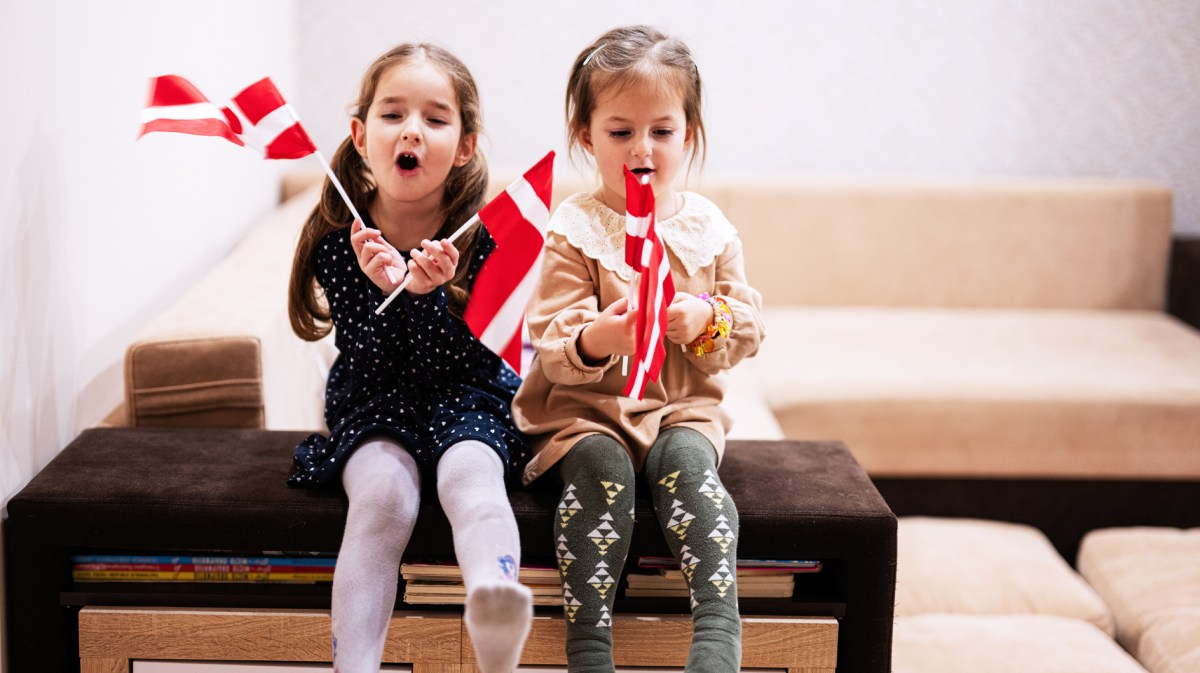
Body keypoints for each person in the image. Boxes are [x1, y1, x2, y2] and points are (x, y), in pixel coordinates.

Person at [512, 25, 765, 673]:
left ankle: (716, 628)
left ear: (690, 134)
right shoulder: (575, 230)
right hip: (588, 413)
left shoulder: (707, 230)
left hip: (679, 407)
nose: (641, 149)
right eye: (620, 132)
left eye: (661, 130)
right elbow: (551, 340)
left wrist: (702, 319)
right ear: (586, 137)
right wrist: (604, 335)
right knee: (602, 469)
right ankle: (589, 644)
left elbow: (747, 324)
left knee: (691, 466)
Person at [286, 43, 532, 673]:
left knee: (471, 480)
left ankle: (495, 606)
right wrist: (383, 290)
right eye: (393, 114)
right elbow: (370, 362)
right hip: (375, 401)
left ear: (466, 145)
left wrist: (430, 295)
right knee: (383, 499)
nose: (412, 131)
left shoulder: (487, 236)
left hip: (467, 394)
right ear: (361, 135)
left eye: (436, 118)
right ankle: (355, 664)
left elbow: (484, 352)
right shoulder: (339, 243)